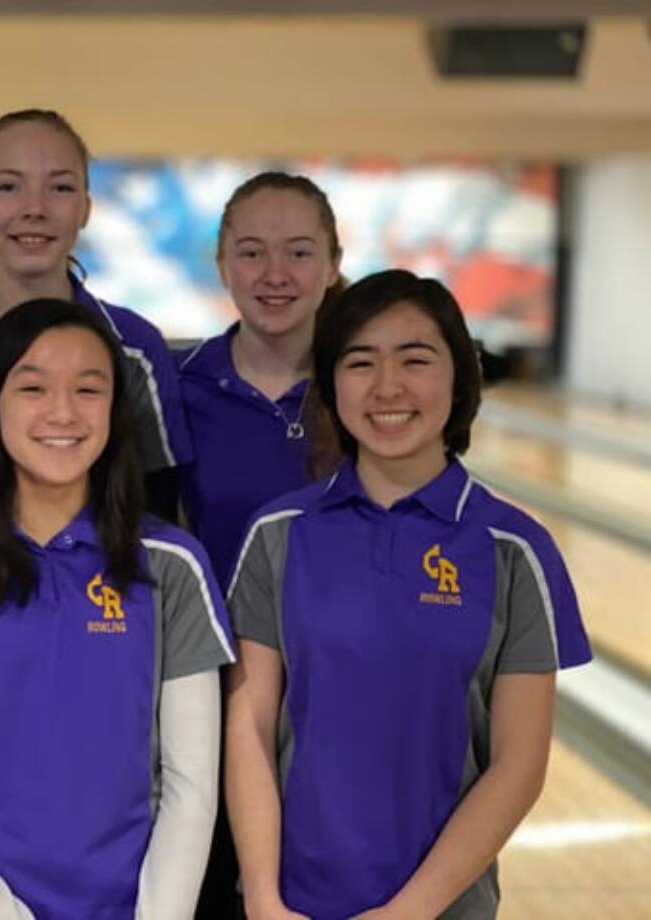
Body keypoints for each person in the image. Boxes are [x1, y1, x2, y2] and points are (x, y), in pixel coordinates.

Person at [225, 269, 591, 919]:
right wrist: (261, 897)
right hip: (290, 906)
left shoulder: (515, 551)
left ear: (459, 377)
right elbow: (249, 726)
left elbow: (518, 766)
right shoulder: (278, 535)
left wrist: (408, 912)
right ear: (332, 385)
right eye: (360, 362)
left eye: (415, 359)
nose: (387, 387)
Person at [0, 299, 235, 919]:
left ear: (117, 412)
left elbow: (191, 785)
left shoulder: (173, 565)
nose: (62, 412)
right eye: (33, 387)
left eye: (88, 389)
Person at [177, 172, 343, 918]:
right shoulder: (179, 390)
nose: (274, 275)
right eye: (251, 252)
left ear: (334, 263)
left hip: (340, 711)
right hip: (210, 712)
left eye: (299, 252)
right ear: (222, 265)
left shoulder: (369, 393)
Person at [0, 108, 190, 520]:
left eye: (60, 188)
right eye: (8, 187)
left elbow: (158, 510)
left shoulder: (136, 348)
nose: (34, 208)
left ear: (86, 209)